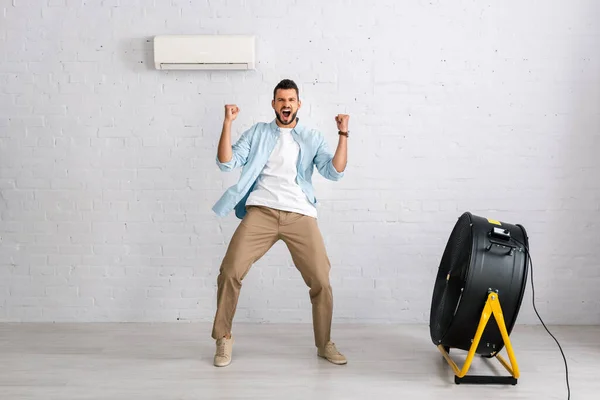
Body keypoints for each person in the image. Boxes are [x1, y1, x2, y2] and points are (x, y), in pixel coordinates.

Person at [210, 79, 349, 367]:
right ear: (273, 104)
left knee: (321, 279)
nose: (286, 104)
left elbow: (334, 172)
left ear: (299, 104)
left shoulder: (311, 136)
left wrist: (343, 133)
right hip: (262, 211)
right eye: (281, 100)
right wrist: (227, 123)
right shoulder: (258, 133)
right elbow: (226, 162)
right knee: (230, 270)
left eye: (291, 100)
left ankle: (324, 343)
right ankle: (223, 338)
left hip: (300, 214)